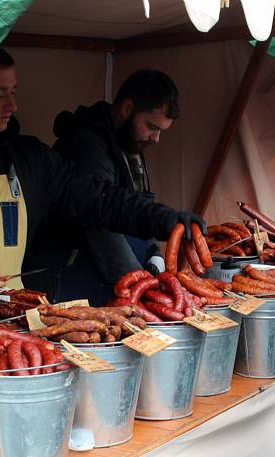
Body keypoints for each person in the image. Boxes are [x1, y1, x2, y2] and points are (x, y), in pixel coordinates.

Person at [0, 47, 204, 297]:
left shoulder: (32, 158)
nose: (13, 104)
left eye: (13, 92)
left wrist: (164, 219)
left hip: (11, 312)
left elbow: (100, 199)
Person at [50, 70, 178, 303]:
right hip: (78, 281)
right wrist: (142, 289)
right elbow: (100, 225)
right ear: (127, 108)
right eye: (152, 126)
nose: (156, 138)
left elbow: (135, 206)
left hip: (116, 280)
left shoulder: (129, 142)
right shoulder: (87, 147)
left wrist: (153, 252)